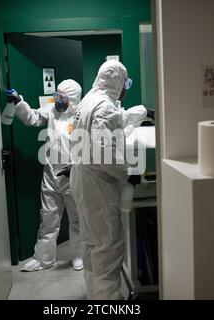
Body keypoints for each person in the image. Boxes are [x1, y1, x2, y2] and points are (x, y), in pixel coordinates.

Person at [68, 60, 143, 300]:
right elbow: (106, 154)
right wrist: (129, 173)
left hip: (82, 178)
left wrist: (138, 113)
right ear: (118, 82)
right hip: (98, 185)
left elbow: (112, 121)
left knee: (92, 245)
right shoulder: (105, 107)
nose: (126, 89)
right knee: (108, 248)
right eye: (126, 83)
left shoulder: (89, 100)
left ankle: (95, 295)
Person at [1, 79, 84, 272]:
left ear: (71, 99)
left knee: (77, 219)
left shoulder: (81, 116)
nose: (56, 99)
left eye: (61, 97)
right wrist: (19, 101)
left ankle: (79, 256)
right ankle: (44, 259)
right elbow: (32, 117)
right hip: (51, 175)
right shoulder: (52, 111)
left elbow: (90, 147)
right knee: (48, 218)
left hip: (73, 176)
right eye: (56, 94)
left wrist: (77, 166)